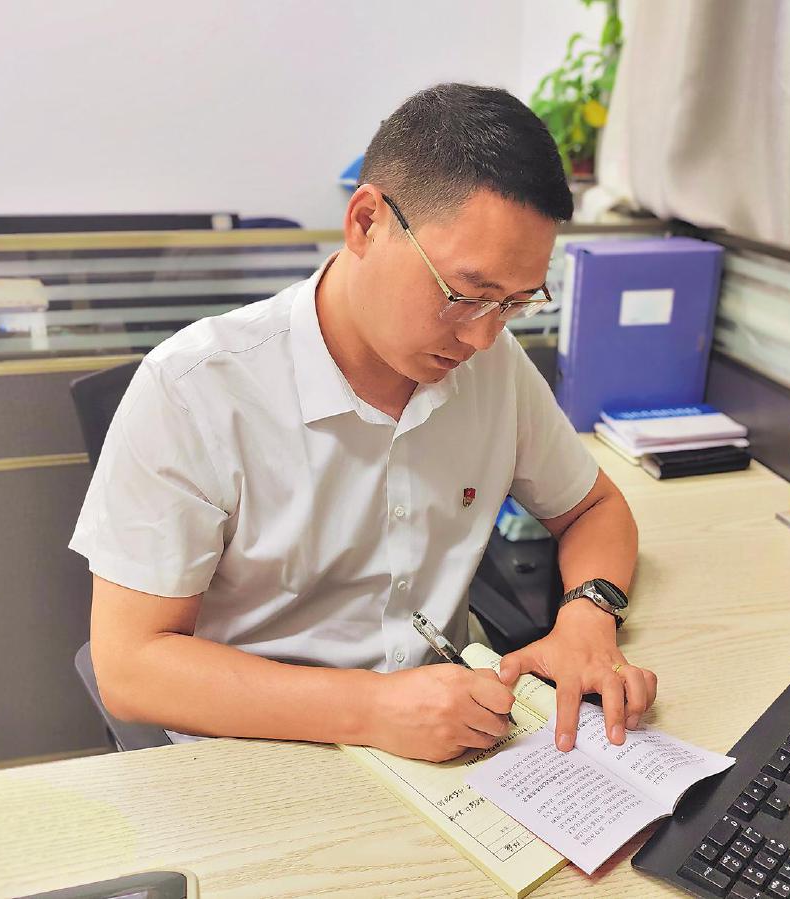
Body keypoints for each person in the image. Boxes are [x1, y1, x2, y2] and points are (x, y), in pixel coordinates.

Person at [70, 83, 656, 763]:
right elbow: (129, 667)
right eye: (465, 294)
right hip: (255, 754)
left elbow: (594, 508)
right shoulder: (194, 390)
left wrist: (589, 612)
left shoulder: (492, 366)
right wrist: (375, 708)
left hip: (451, 742)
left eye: (515, 303)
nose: (482, 337)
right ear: (366, 222)